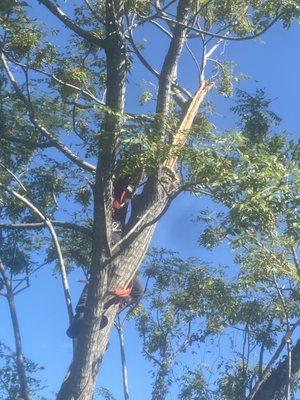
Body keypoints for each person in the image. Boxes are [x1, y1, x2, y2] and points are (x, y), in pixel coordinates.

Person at [66, 174, 143, 339]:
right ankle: (80, 315)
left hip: (120, 246)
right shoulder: (113, 205)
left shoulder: (121, 204)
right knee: (99, 275)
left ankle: (102, 309)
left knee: (137, 291)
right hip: (111, 241)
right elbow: (118, 202)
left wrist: (124, 297)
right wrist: (124, 190)